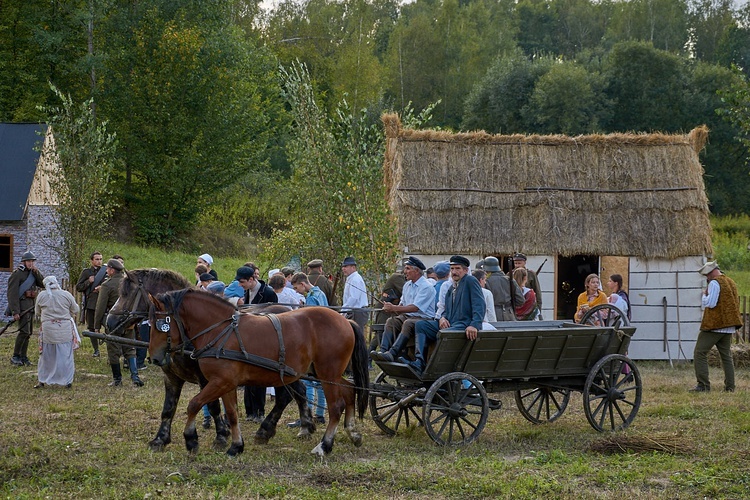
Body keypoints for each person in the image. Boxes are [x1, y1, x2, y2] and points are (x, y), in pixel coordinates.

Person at [404, 256, 485, 376]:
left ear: (465, 270)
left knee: (443, 335)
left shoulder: (470, 281)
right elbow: (446, 307)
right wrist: (442, 317)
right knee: (421, 325)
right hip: (451, 323)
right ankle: (419, 361)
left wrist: (474, 325)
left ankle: (437, 369)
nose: (454, 272)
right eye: (452, 269)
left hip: (463, 325)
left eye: (458, 268)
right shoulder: (452, 286)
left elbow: (480, 305)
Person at [371, 256, 436, 362]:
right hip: (409, 316)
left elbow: (415, 308)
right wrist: (390, 308)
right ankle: (383, 351)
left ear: (416, 271)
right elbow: (402, 305)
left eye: (408, 268)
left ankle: (393, 353)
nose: (405, 271)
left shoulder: (426, 287)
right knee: (391, 321)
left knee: (408, 323)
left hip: (424, 319)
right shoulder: (407, 286)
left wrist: (394, 308)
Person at [690, 261, 742, 393]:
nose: (706, 278)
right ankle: (730, 387)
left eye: (707, 275)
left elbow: (711, 304)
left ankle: (703, 385)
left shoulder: (714, 283)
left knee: (699, 353)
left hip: (715, 326)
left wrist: (704, 295)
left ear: (712, 272)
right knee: (726, 356)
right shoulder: (730, 281)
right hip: (729, 326)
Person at [235, 265, 278, 422]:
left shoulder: (268, 293)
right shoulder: (247, 292)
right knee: (248, 377)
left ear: (252, 279)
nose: (240, 285)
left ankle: (259, 411)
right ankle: (250, 411)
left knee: (259, 376)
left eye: (242, 282)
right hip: (249, 339)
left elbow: (274, 314)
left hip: (264, 339)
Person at [287, 272, 329, 427]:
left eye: (296, 287)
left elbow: (308, 322)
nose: (297, 290)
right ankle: (320, 414)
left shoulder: (311, 297)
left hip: (314, 340)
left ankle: (307, 413)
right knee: (320, 381)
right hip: (324, 337)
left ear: (303, 284)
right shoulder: (321, 293)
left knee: (307, 380)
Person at [94, 258, 144, 387]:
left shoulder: (107, 285)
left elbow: (100, 307)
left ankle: (117, 379)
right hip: (128, 320)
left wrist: (96, 325)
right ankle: (135, 377)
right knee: (130, 348)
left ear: (111, 270)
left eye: (108, 269)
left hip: (114, 321)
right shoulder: (131, 283)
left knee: (113, 350)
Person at [34, 276, 79, 388]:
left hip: (48, 329)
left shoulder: (42, 296)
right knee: (65, 356)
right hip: (64, 329)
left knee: (47, 356)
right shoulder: (66, 295)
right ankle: (67, 381)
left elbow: (37, 312)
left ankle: (43, 379)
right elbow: (76, 309)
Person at [6, 251, 45, 366]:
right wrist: (15, 311)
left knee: (28, 333)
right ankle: (15, 356)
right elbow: (12, 294)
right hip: (22, 307)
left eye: (32, 261)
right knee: (24, 332)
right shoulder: (17, 274)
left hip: (30, 306)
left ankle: (23, 356)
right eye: (29, 261)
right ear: (24, 262)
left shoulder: (33, 273)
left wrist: (36, 272)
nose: (30, 263)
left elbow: (42, 284)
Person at [75, 251, 106, 356]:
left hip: (105, 304)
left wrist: (102, 288)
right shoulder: (86, 272)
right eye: (97, 259)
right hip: (91, 304)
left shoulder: (106, 272)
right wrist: (89, 282)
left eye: (101, 259)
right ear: (92, 261)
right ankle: (96, 350)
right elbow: (78, 287)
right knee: (91, 327)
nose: (99, 261)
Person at [484, 256, 524, 321]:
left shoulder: (486, 281)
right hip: (510, 315)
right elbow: (520, 300)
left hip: (493, 315)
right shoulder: (509, 280)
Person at [340, 256, 368, 332]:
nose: (343, 269)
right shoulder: (351, 278)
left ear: (353, 267)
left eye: (346, 266)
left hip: (357, 312)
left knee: (356, 336)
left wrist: (343, 311)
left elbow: (353, 298)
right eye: (343, 267)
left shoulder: (355, 279)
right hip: (353, 312)